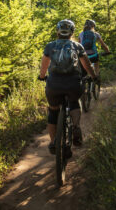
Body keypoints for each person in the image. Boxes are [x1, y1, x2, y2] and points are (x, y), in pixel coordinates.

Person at [38, 19, 97, 155]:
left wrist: (42, 77)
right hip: (73, 84)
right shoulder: (77, 46)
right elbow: (86, 64)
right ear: (72, 32)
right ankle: (76, 127)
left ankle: (53, 142)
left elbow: (44, 65)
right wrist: (93, 76)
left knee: (53, 111)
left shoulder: (50, 46)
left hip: (54, 85)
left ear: (57, 31)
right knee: (75, 102)